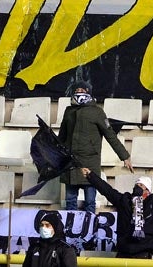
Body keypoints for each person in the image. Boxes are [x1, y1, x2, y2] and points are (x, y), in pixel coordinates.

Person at [82, 169, 153, 258]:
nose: (137, 187)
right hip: (125, 249)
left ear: (147, 190)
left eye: (141, 185)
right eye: (136, 185)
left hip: (144, 250)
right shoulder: (124, 200)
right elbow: (107, 190)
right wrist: (91, 177)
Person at [59, 83, 132, 213]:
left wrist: (124, 156)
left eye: (82, 90)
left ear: (89, 92)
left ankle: (90, 229)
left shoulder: (97, 112)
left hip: (90, 162)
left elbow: (111, 135)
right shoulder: (68, 111)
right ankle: (69, 229)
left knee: (90, 202)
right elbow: (61, 136)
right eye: (76, 90)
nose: (78, 92)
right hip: (71, 162)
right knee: (70, 201)